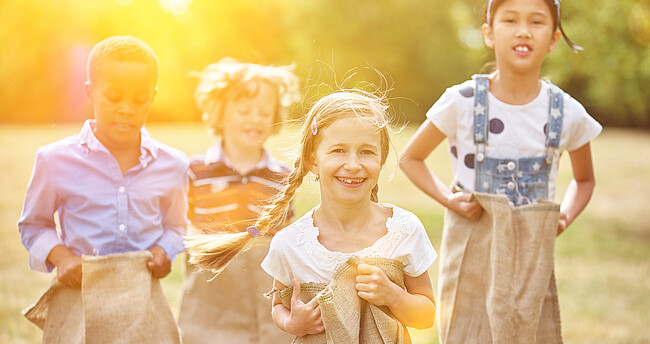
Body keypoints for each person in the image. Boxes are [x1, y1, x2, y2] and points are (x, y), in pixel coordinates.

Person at [399, 0, 601, 343]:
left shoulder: (565, 111)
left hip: (530, 256)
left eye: (537, 22)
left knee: (529, 331)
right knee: (467, 332)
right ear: (489, 34)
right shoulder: (461, 101)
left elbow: (584, 180)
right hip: (471, 248)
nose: (523, 30)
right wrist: (450, 199)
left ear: (553, 39)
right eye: (510, 20)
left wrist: (564, 216)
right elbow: (410, 158)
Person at [187, 90, 438, 343]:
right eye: (338, 150)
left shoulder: (404, 229)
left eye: (366, 152)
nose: (353, 164)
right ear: (313, 161)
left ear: (381, 159)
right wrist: (293, 323)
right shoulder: (291, 243)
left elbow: (426, 317)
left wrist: (394, 297)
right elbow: (278, 307)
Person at [18, 35, 188, 341]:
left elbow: (177, 225)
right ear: (89, 92)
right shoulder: (54, 159)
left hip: (142, 304)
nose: (126, 109)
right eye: (113, 97)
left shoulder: (173, 164)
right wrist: (61, 257)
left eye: (139, 100)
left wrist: (165, 250)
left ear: (153, 96)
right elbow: (33, 226)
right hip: (79, 296)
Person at [178, 58, 300, 344]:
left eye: (264, 112)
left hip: (266, 302)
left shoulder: (283, 176)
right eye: (244, 110)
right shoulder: (195, 171)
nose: (255, 119)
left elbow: (287, 239)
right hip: (210, 302)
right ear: (220, 114)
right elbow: (183, 229)